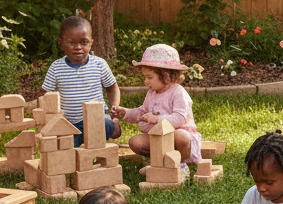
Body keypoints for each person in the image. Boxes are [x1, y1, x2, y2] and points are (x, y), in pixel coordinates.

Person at [111, 44, 201, 163]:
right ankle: (159, 162)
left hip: (180, 139)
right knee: (135, 142)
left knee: (181, 136)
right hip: (160, 137)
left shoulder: (178, 92)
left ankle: (181, 163)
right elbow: (142, 112)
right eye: (145, 77)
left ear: (166, 76)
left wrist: (157, 119)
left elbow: (179, 118)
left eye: (149, 77)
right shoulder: (152, 93)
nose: (146, 82)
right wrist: (125, 113)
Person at [42, 16, 121, 148]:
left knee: (107, 124)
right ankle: (77, 149)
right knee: (67, 150)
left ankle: (94, 146)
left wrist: (114, 112)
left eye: (84, 42)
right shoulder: (56, 68)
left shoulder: (99, 64)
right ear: (61, 43)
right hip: (69, 124)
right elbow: (45, 96)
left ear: (91, 42)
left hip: (97, 119)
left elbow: (112, 87)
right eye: (71, 42)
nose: (78, 47)